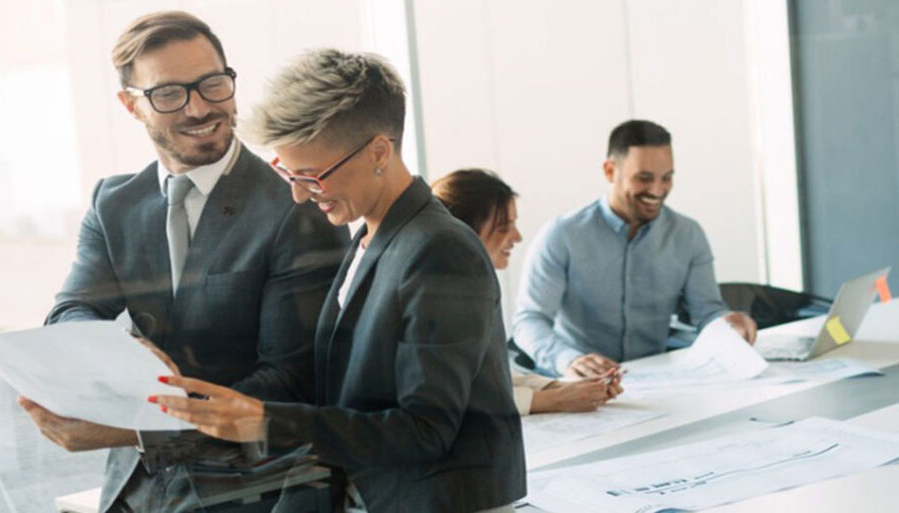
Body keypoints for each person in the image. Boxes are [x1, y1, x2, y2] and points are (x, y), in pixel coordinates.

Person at [151, 49, 526, 513]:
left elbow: (426, 430)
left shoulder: (439, 250)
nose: (297, 193)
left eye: (311, 175)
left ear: (379, 152)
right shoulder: (372, 237)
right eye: (286, 172)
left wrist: (267, 422)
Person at [18, 11, 348, 513]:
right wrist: (125, 352)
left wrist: (139, 428)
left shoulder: (297, 208)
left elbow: (291, 380)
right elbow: (69, 312)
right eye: (169, 93)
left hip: (251, 491)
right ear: (131, 105)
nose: (200, 108)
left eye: (213, 84)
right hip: (130, 496)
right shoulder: (114, 202)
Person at [512, 119, 757, 379]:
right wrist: (569, 360)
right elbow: (530, 321)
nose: (657, 190)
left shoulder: (688, 235)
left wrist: (728, 324)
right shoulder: (562, 234)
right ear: (609, 171)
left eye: (667, 178)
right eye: (644, 178)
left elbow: (707, 312)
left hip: (656, 379)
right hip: (578, 384)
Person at [431, 169, 622, 414]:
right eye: (503, 227)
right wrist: (556, 400)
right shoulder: (434, 298)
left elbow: (492, 377)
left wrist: (568, 387)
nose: (517, 237)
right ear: (462, 231)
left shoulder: (472, 286)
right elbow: (456, 395)